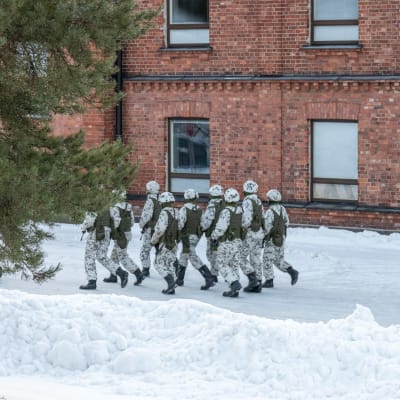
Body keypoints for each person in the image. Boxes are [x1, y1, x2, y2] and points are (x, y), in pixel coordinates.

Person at [79, 208, 129, 290]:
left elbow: (90, 220)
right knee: (101, 256)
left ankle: (92, 281)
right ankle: (121, 273)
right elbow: (116, 221)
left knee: (89, 256)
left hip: (96, 232)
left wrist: (83, 228)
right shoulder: (111, 204)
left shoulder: (95, 202)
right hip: (107, 233)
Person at [176, 188, 215, 290]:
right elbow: (203, 224)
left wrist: (176, 234)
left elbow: (180, 224)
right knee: (184, 256)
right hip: (195, 237)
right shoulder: (199, 209)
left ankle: (208, 277)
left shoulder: (184, 209)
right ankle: (179, 279)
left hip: (186, 237)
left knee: (192, 257)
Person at [103, 191, 144, 286]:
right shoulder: (128, 207)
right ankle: (113, 276)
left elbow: (115, 223)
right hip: (127, 234)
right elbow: (133, 222)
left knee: (123, 256)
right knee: (114, 255)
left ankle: (138, 273)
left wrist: (110, 230)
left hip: (120, 235)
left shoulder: (115, 208)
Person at [262, 189, 299, 288]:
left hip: (272, 239)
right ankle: (291, 271)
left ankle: (269, 280)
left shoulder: (270, 211)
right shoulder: (282, 208)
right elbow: (287, 222)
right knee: (278, 259)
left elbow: (267, 226)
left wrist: (263, 236)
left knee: (267, 259)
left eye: (268, 198)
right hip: (281, 237)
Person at [211, 188, 244, 297]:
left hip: (227, 242)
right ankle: (234, 290)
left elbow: (221, 228)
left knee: (221, 263)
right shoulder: (240, 210)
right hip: (238, 241)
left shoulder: (226, 211)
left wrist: (214, 236)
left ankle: (234, 283)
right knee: (234, 265)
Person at [150, 192, 180, 294]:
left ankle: (170, 282)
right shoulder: (176, 212)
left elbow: (159, 229)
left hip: (165, 242)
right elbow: (180, 227)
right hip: (174, 243)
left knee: (158, 263)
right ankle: (172, 287)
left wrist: (153, 241)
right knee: (169, 263)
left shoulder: (164, 213)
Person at [240, 180, 264, 293]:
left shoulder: (247, 201)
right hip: (259, 233)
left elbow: (247, 218)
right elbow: (263, 217)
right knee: (255, 258)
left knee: (241, 257)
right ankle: (258, 281)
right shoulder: (258, 201)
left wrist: (242, 228)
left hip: (250, 233)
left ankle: (252, 278)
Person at [200, 184, 225, 283]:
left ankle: (214, 274)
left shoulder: (212, 206)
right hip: (224, 234)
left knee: (211, 254)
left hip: (213, 234)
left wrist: (201, 228)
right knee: (219, 254)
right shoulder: (225, 204)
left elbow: (207, 221)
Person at [139, 180, 161, 278]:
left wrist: (141, 225)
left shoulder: (150, 201)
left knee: (145, 250)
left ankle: (145, 269)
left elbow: (146, 216)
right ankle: (174, 267)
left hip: (150, 230)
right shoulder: (162, 200)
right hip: (160, 229)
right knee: (161, 250)